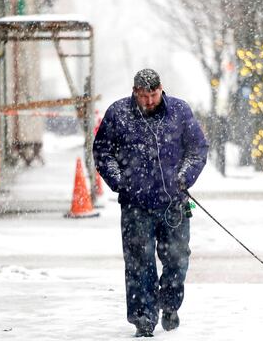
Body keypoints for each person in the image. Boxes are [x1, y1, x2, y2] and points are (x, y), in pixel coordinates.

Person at [93, 69, 208, 337]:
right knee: (138, 263)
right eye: (143, 96)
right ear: (134, 92)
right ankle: (143, 319)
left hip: (174, 203)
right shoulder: (118, 113)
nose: (148, 101)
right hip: (136, 205)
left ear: (161, 89)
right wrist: (120, 181)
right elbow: (102, 152)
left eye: (153, 95)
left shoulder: (179, 111)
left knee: (178, 259)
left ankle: (169, 304)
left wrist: (184, 177)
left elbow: (197, 149)